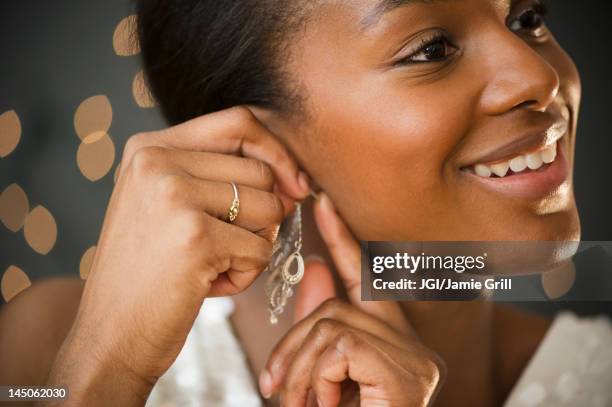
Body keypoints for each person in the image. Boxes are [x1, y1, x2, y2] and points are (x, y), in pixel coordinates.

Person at [1, 0, 603, 406]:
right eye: (432, 49)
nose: (538, 77)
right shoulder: (47, 351)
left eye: (526, 17)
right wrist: (104, 378)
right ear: (251, 139)